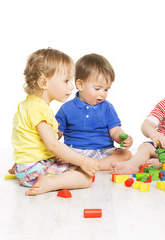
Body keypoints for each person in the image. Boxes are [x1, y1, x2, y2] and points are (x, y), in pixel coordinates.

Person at [12, 48, 100, 196]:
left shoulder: (28, 104)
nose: (71, 86)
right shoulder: (40, 109)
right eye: (66, 81)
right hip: (35, 168)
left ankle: (22, 170)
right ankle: (50, 183)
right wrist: (83, 161)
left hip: (26, 166)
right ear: (43, 82)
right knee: (86, 177)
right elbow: (53, 145)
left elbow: (26, 140)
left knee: (71, 159)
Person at [55, 54, 133, 170]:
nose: (102, 93)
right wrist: (50, 136)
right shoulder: (66, 108)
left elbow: (115, 130)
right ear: (80, 85)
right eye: (97, 89)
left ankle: (95, 166)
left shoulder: (107, 107)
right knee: (59, 154)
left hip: (104, 151)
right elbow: (57, 134)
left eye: (106, 89)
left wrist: (122, 138)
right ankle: (84, 164)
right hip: (76, 152)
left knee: (126, 154)